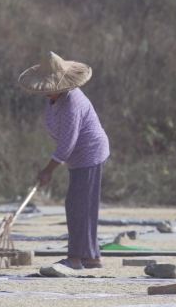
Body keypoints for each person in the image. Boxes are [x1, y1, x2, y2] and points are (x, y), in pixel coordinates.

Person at [18, 51, 109, 269]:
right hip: (77, 157)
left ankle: (77, 257)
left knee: (78, 205)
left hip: (89, 153)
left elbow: (67, 143)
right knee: (80, 205)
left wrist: (47, 170)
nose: (47, 91)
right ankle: (90, 256)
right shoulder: (55, 99)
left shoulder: (72, 103)